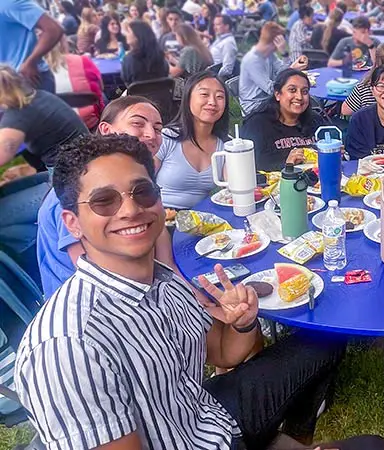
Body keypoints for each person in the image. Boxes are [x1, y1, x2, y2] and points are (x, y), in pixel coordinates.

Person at [17, 132, 348, 449]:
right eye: (104, 201)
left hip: (209, 417)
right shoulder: (69, 345)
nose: (130, 210)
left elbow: (221, 353)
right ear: (72, 222)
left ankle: (291, 436)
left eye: (142, 192)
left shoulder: (164, 280)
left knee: (325, 340)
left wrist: (241, 322)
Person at [35, 96, 170, 298]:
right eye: (137, 123)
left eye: (158, 129)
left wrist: (177, 285)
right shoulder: (78, 189)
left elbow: (158, 233)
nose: (151, 134)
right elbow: (98, 276)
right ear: (106, 129)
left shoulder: (137, 175)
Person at [155, 71, 229, 210]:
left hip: (199, 221)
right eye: (204, 94)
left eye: (220, 97)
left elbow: (234, 188)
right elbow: (142, 182)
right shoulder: (167, 138)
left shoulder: (224, 146)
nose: (212, 102)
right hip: (161, 216)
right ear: (188, 98)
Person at [0, 65, 88, 171]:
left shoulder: (17, 114)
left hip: (71, 172)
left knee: (11, 187)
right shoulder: (38, 96)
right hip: (86, 158)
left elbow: (3, 155)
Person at [242, 69, 326, 171]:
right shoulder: (256, 125)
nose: (299, 97)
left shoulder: (315, 121)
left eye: (304, 92)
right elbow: (249, 166)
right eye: (292, 90)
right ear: (277, 94)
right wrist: (287, 164)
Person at [239, 22, 309, 116]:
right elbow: (270, 89)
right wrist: (291, 70)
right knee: (296, 101)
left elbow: (281, 70)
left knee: (299, 100)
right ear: (275, 42)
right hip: (255, 105)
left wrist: (285, 55)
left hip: (267, 98)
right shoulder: (252, 61)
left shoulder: (269, 54)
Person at [0, 0, 64, 93]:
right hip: (5, 84)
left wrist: (31, 61)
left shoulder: (9, 3)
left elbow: (53, 29)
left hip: (25, 80)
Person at [44, 35, 105, 129]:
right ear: (64, 42)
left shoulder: (29, 70)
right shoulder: (83, 61)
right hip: (89, 124)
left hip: (52, 128)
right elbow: (101, 87)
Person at [121, 20, 169, 86]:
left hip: (136, 95)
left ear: (138, 36)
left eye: (128, 32)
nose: (126, 35)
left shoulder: (129, 59)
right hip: (161, 95)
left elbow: (126, 82)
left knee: (116, 90)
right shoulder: (160, 57)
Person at [210, 14, 238, 78]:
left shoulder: (228, 43)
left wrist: (214, 78)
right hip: (209, 72)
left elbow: (227, 69)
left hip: (214, 77)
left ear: (226, 26)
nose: (214, 27)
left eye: (218, 25)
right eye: (214, 25)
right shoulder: (219, 39)